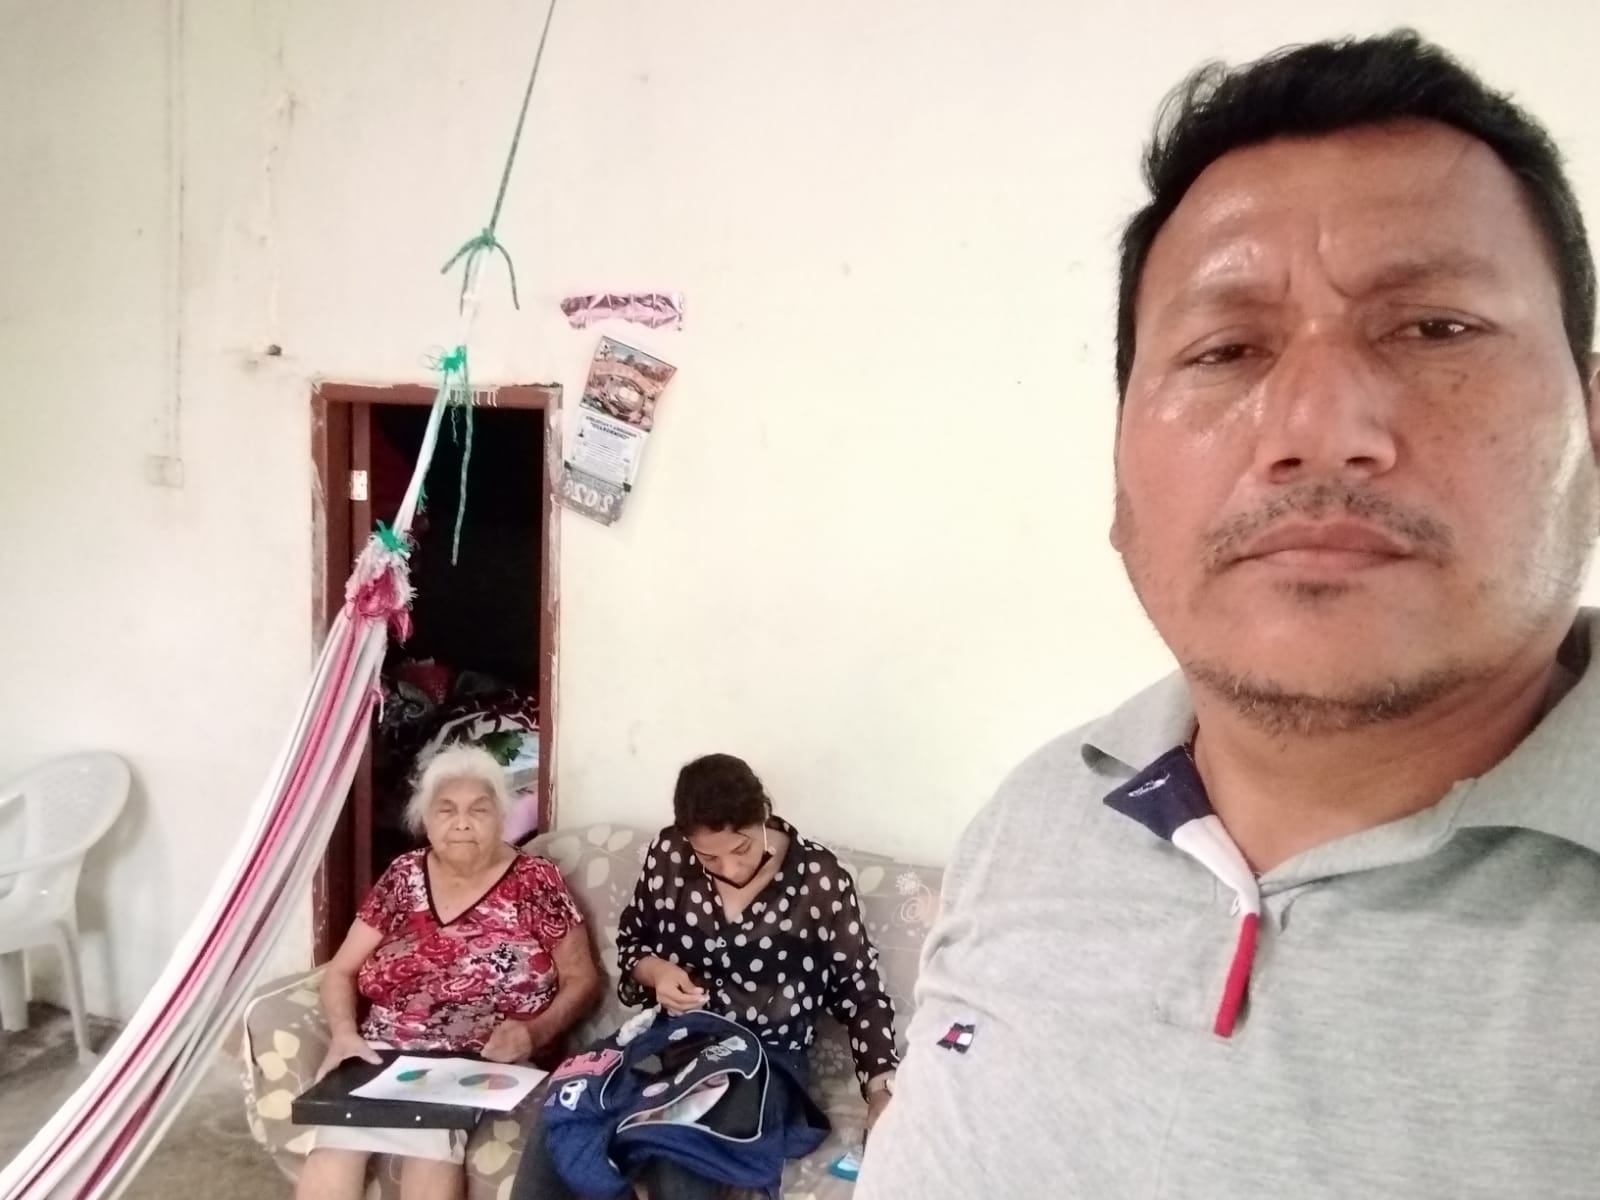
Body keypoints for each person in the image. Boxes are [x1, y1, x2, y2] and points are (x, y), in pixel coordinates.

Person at [859, 30, 1600, 1200]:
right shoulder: (1036, 818)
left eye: (1434, 327)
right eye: (1225, 349)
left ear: (1591, 426)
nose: (1317, 427)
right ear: (1118, 476)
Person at [513, 752, 899, 1199]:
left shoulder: (818, 878)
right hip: (670, 1042)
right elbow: (634, 944)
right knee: (566, 1117)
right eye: (709, 857)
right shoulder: (670, 856)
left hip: (763, 1059)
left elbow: (861, 993)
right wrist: (658, 973)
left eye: (742, 849)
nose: (730, 868)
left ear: (762, 817)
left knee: (681, 1154)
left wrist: (881, 1091)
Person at [296, 745, 601, 1200]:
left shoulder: (535, 881)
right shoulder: (403, 876)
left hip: (476, 1057)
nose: (462, 823)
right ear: (425, 818)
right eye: (446, 810)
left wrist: (535, 1033)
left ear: (501, 816)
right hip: (387, 1049)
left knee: (430, 1143)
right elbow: (341, 970)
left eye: (478, 810)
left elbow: (583, 979)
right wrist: (343, 1034)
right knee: (334, 1148)